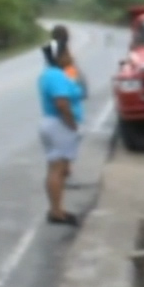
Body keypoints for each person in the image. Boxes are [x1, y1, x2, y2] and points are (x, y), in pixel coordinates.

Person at [38, 38, 84, 227]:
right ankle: (57, 212)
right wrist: (72, 124)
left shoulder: (49, 74)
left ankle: (56, 209)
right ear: (59, 56)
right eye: (67, 53)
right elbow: (61, 103)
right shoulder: (56, 76)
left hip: (53, 124)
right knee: (57, 170)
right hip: (59, 125)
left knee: (58, 169)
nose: (71, 56)